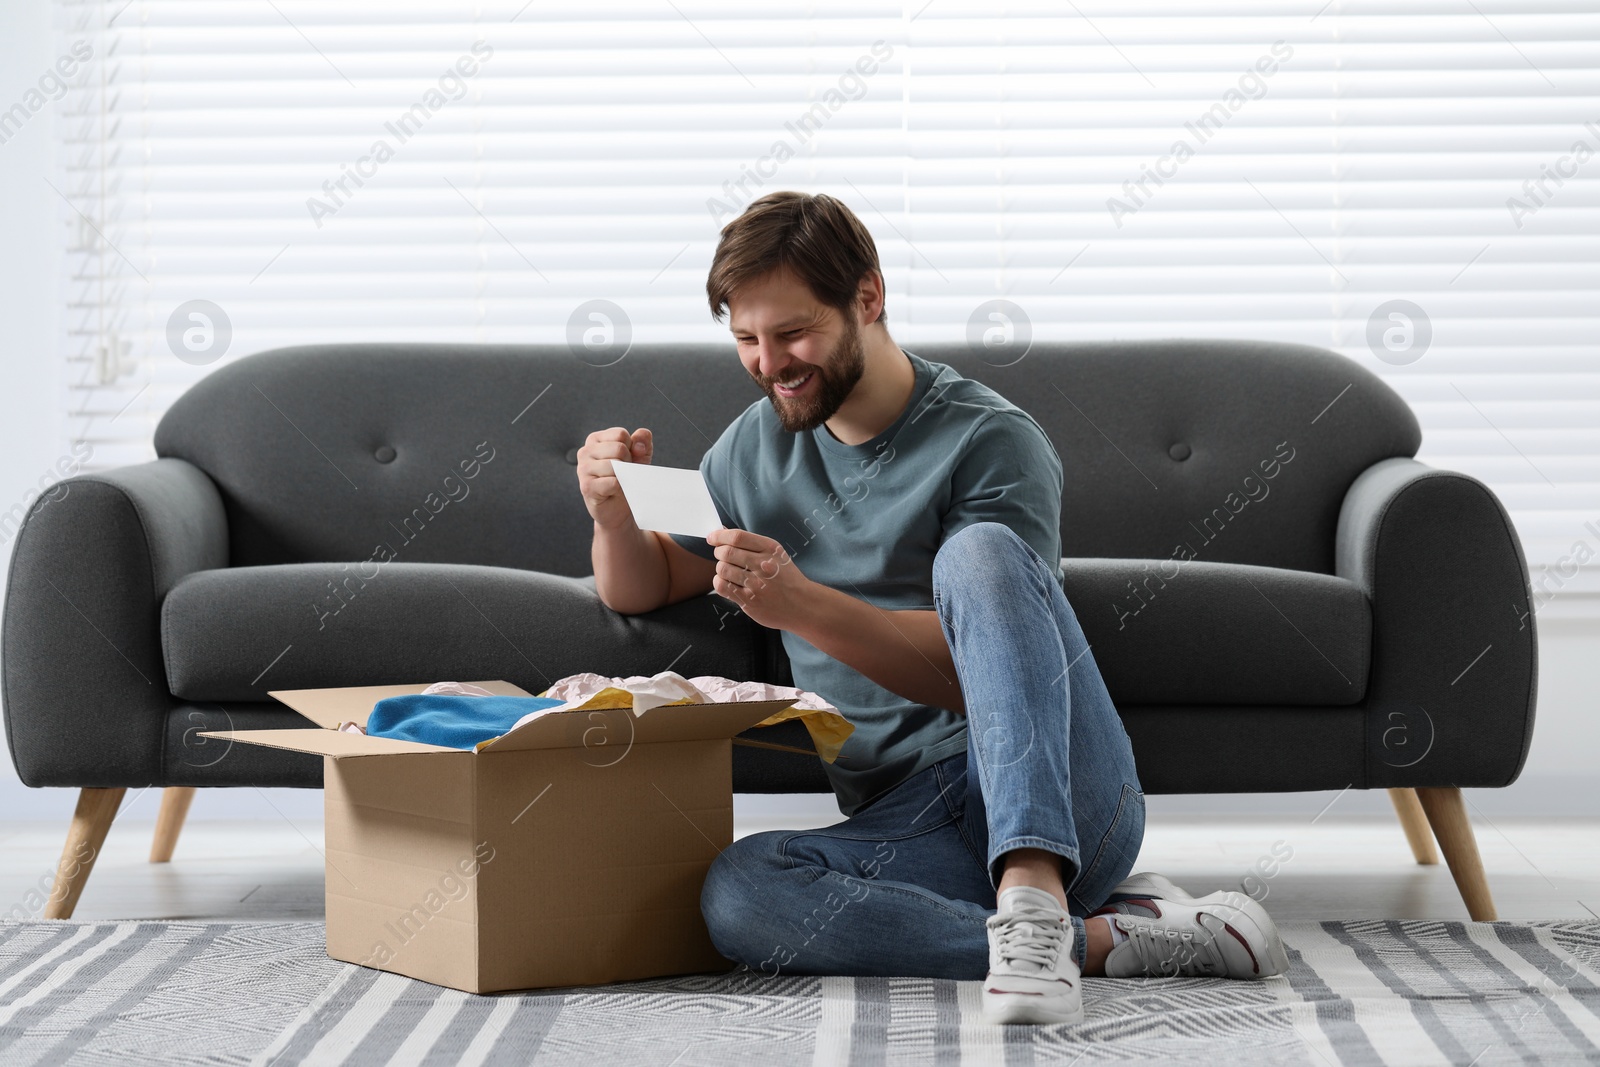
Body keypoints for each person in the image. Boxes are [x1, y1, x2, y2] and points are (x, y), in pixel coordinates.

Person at [576, 191, 1288, 1026]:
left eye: (792, 333)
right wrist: (614, 516)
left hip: (1057, 786)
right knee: (740, 894)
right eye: (746, 340)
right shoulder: (751, 446)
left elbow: (996, 679)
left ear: (868, 298)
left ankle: (1034, 889)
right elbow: (645, 583)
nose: (770, 363)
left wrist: (800, 603)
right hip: (915, 817)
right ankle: (1109, 941)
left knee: (979, 553)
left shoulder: (991, 439)